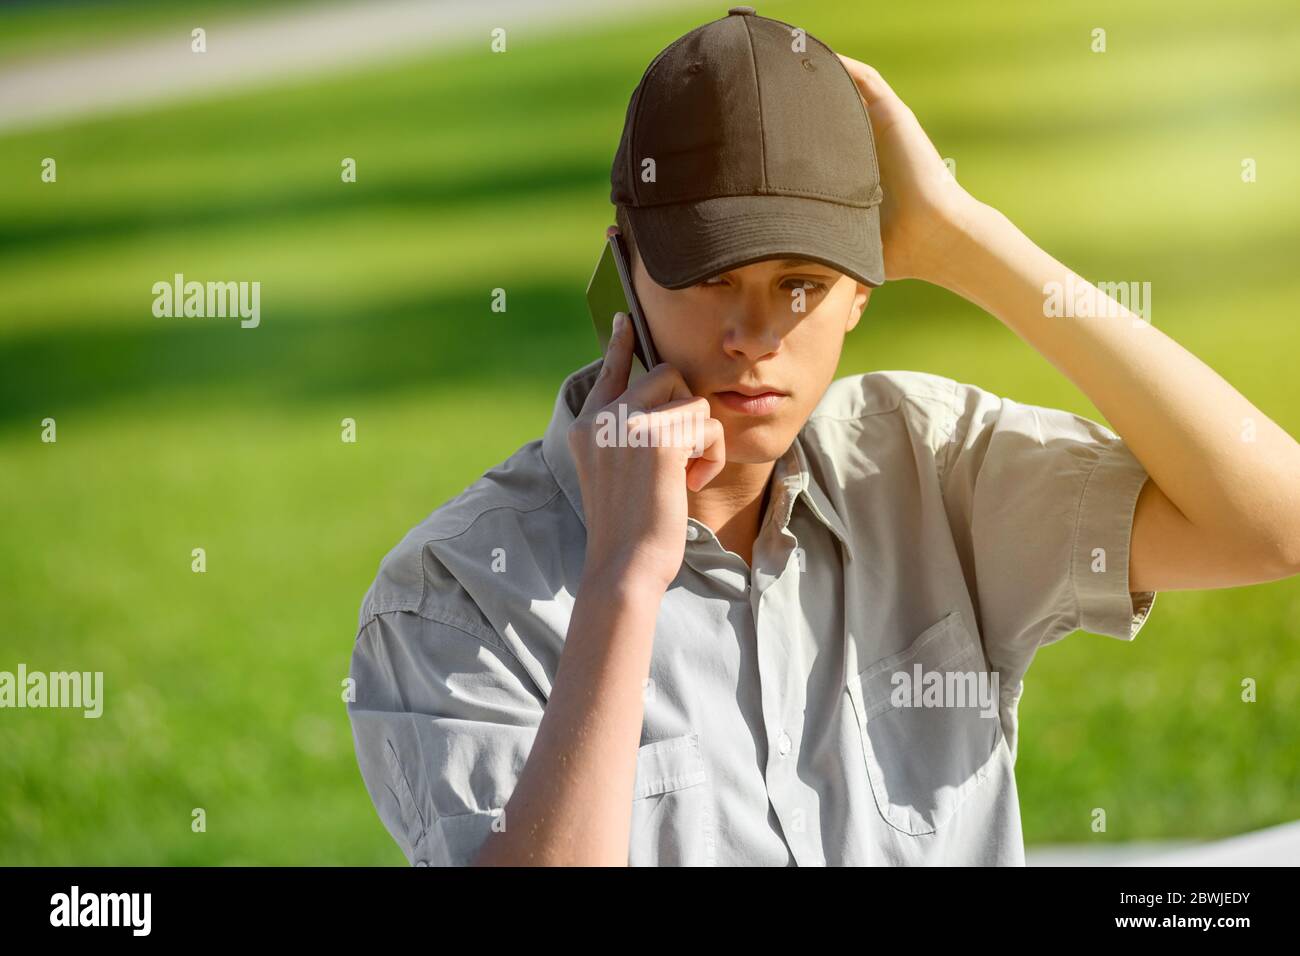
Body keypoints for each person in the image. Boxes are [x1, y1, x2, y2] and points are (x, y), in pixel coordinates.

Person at [346, 7, 1300, 866]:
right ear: (624, 270)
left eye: (800, 283)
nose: (752, 337)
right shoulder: (452, 597)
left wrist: (963, 236)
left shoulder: (925, 464)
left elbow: (1273, 526)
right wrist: (623, 579)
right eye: (713, 274)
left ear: (862, 293)